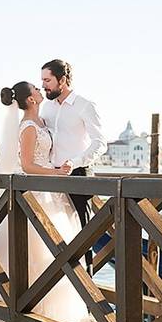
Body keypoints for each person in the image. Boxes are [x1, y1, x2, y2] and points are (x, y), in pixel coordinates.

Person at [0, 81, 89, 322]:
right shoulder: (28, 127)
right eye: (36, 89)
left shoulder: (42, 123)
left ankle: (47, 306)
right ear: (31, 99)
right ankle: (21, 303)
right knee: (33, 248)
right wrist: (57, 173)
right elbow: (28, 166)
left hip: (48, 192)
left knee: (54, 249)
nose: (41, 91)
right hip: (33, 191)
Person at [39, 59, 105, 271]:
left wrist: (75, 162)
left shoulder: (85, 105)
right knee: (52, 234)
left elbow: (100, 143)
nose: (43, 85)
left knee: (81, 234)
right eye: (42, 80)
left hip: (78, 176)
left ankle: (87, 290)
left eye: (47, 80)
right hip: (51, 177)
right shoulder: (46, 107)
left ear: (63, 80)